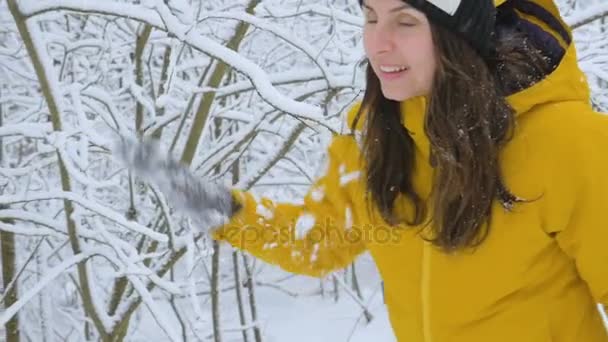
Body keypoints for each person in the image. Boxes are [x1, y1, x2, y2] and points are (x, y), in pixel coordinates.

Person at [118, 0, 608, 340]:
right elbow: (318, 239)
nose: (378, 44)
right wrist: (219, 207)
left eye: (405, 22)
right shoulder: (377, 137)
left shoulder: (565, 142)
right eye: (370, 17)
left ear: (460, 33)